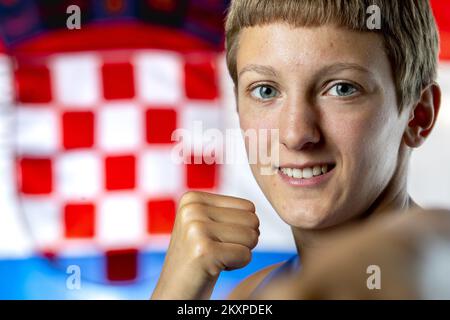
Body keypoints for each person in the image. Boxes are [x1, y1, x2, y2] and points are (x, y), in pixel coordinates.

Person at [151, 0, 447, 300]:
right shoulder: (250, 294)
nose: (296, 135)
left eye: (342, 88)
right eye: (265, 90)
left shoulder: (433, 262)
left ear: (418, 116)